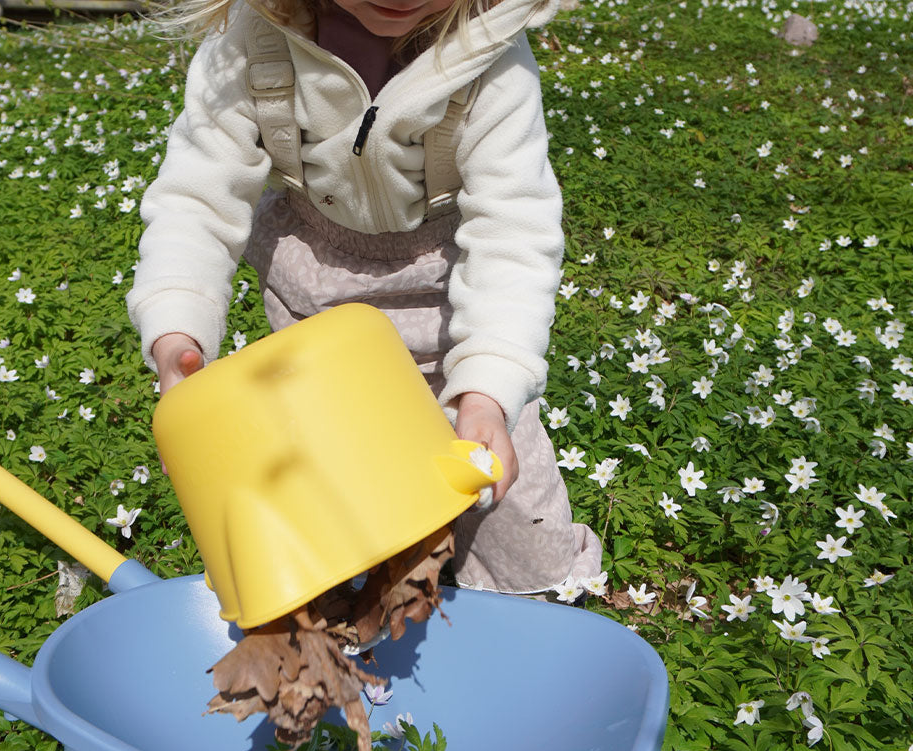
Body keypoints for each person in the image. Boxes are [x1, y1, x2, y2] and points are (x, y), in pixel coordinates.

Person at [128, 0, 601, 594]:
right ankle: (361, 611)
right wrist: (178, 335)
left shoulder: (491, 58)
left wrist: (488, 393)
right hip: (319, 314)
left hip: (454, 304)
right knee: (345, 508)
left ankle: (516, 619)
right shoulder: (252, 44)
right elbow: (196, 204)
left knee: (512, 520)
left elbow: (513, 236)